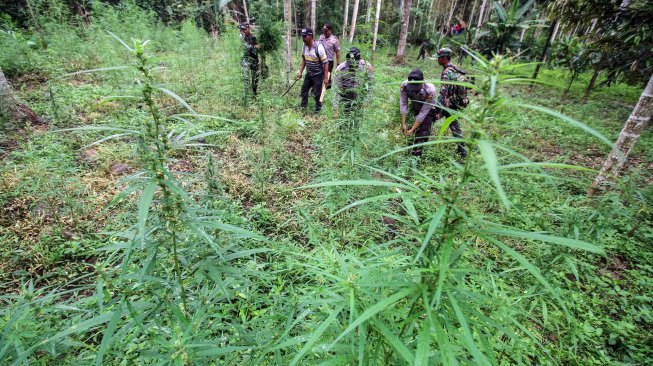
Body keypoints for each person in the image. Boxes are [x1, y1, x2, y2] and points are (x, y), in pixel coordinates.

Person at [435, 47, 468, 159]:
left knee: (430, 117)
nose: (437, 60)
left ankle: (419, 141)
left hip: (449, 103)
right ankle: (462, 149)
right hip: (455, 101)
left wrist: (439, 110)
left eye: (439, 58)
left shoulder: (446, 72)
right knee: (455, 127)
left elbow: (443, 94)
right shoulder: (454, 68)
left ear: (444, 58)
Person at [400, 69, 437, 157]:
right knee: (409, 128)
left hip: (429, 109)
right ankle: (409, 148)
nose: (414, 90)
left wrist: (412, 130)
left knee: (423, 131)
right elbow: (403, 103)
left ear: (422, 82)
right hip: (415, 106)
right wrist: (403, 123)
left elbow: (423, 113)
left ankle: (416, 156)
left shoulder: (430, 90)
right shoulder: (404, 85)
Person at [333, 47, 374, 115]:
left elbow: (371, 86)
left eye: (354, 64)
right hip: (345, 98)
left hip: (360, 99)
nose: (352, 66)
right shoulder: (340, 69)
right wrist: (336, 109)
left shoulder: (367, 67)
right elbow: (337, 90)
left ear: (359, 59)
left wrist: (367, 101)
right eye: (350, 64)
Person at [297, 27, 329, 113]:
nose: (303, 38)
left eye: (305, 36)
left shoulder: (319, 48)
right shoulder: (304, 47)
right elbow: (304, 60)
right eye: (302, 36)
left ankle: (318, 110)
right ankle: (303, 108)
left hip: (318, 75)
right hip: (309, 73)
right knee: (304, 91)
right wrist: (300, 72)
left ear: (311, 36)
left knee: (317, 94)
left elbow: (326, 63)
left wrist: (326, 78)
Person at [238, 23, 259, 96]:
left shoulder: (254, 37)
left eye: (244, 29)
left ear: (248, 28)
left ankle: (254, 92)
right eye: (241, 29)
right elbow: (245, 46)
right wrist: (255, 47)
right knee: (246, 77)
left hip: (254, 59)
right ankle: (246, 94)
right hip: (246, 59)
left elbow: (260, 47)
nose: (242, 31)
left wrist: (259, 46)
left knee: (255, 77)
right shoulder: (241, 37)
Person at [318, 22, 341, 89]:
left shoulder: (334, 40)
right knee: (319, 76)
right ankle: (317, 90)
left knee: (327, 77)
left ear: (330, 30)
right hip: (320, 60)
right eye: (323, 31)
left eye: (326, 31)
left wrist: (338, 63)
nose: (324, 33)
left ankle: (326, 90)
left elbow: (337, 52)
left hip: (329, 61)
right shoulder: (321, 37)